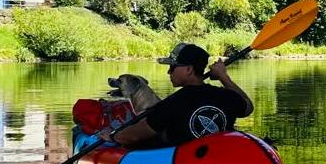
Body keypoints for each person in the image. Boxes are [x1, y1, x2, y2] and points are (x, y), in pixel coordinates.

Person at [107, 42, 253, 148]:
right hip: (221, 160)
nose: (169, 72)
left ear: (189, 69)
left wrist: (114, 136)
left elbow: (134, 135)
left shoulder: (172, 103)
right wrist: (223, 77)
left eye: (173, 67)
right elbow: (248, 107)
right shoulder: (226, 96)